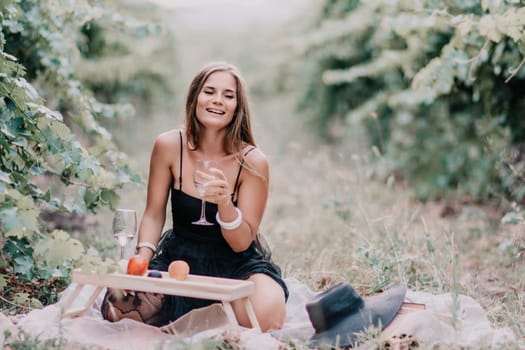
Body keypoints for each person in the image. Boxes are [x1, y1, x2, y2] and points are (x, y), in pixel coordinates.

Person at [100, 61, 288, 332]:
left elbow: (241, 243)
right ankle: (209, 317)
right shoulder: (168, 145)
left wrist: (225, 203)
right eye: (209, 91)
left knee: (267, 311)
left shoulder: (253, 162)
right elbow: (154, 214)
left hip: (236, 263)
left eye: (228, 95)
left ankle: (207, 317)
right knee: (119, 305)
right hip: (180, 259)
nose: (218, 101)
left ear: (238, 107)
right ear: (195, 97)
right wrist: (140, 263)